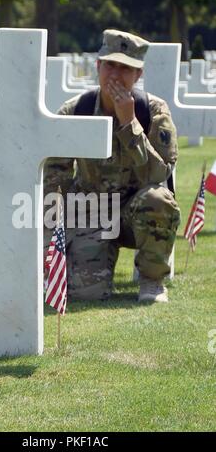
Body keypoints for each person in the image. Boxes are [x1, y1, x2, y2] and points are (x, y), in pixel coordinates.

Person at [44, 29, 181, 303]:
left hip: (136, 214)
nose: (116, 75)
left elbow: (160, 174)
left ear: (138, 75)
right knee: (86, 294)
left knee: (159, 199)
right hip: (91, 214)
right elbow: (54, 177)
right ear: (98, 66)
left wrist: (129, 124)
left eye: (125, 68)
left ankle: (152, 281)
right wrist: (54, 235)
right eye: (110, 65)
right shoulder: (76, 111)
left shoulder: (153, 112)